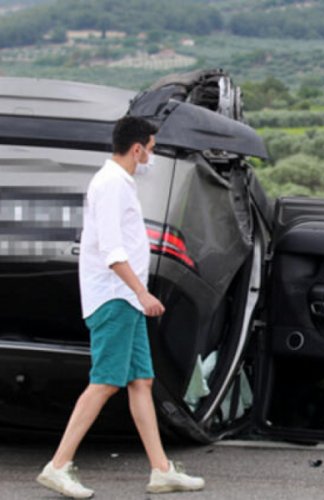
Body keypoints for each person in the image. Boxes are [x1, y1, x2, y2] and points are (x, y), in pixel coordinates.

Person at [36, 116, 205, 498]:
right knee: (105, 382)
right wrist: (142, 294)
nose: (154, 154)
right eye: (153, 147)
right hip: (115, 298)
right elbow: (113, 250)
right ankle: (58, 465)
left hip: (124, 299)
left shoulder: (117, 182)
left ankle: (161, 471)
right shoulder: (111, 184)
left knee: (140, 381)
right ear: (137, 148)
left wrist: (137, 296)